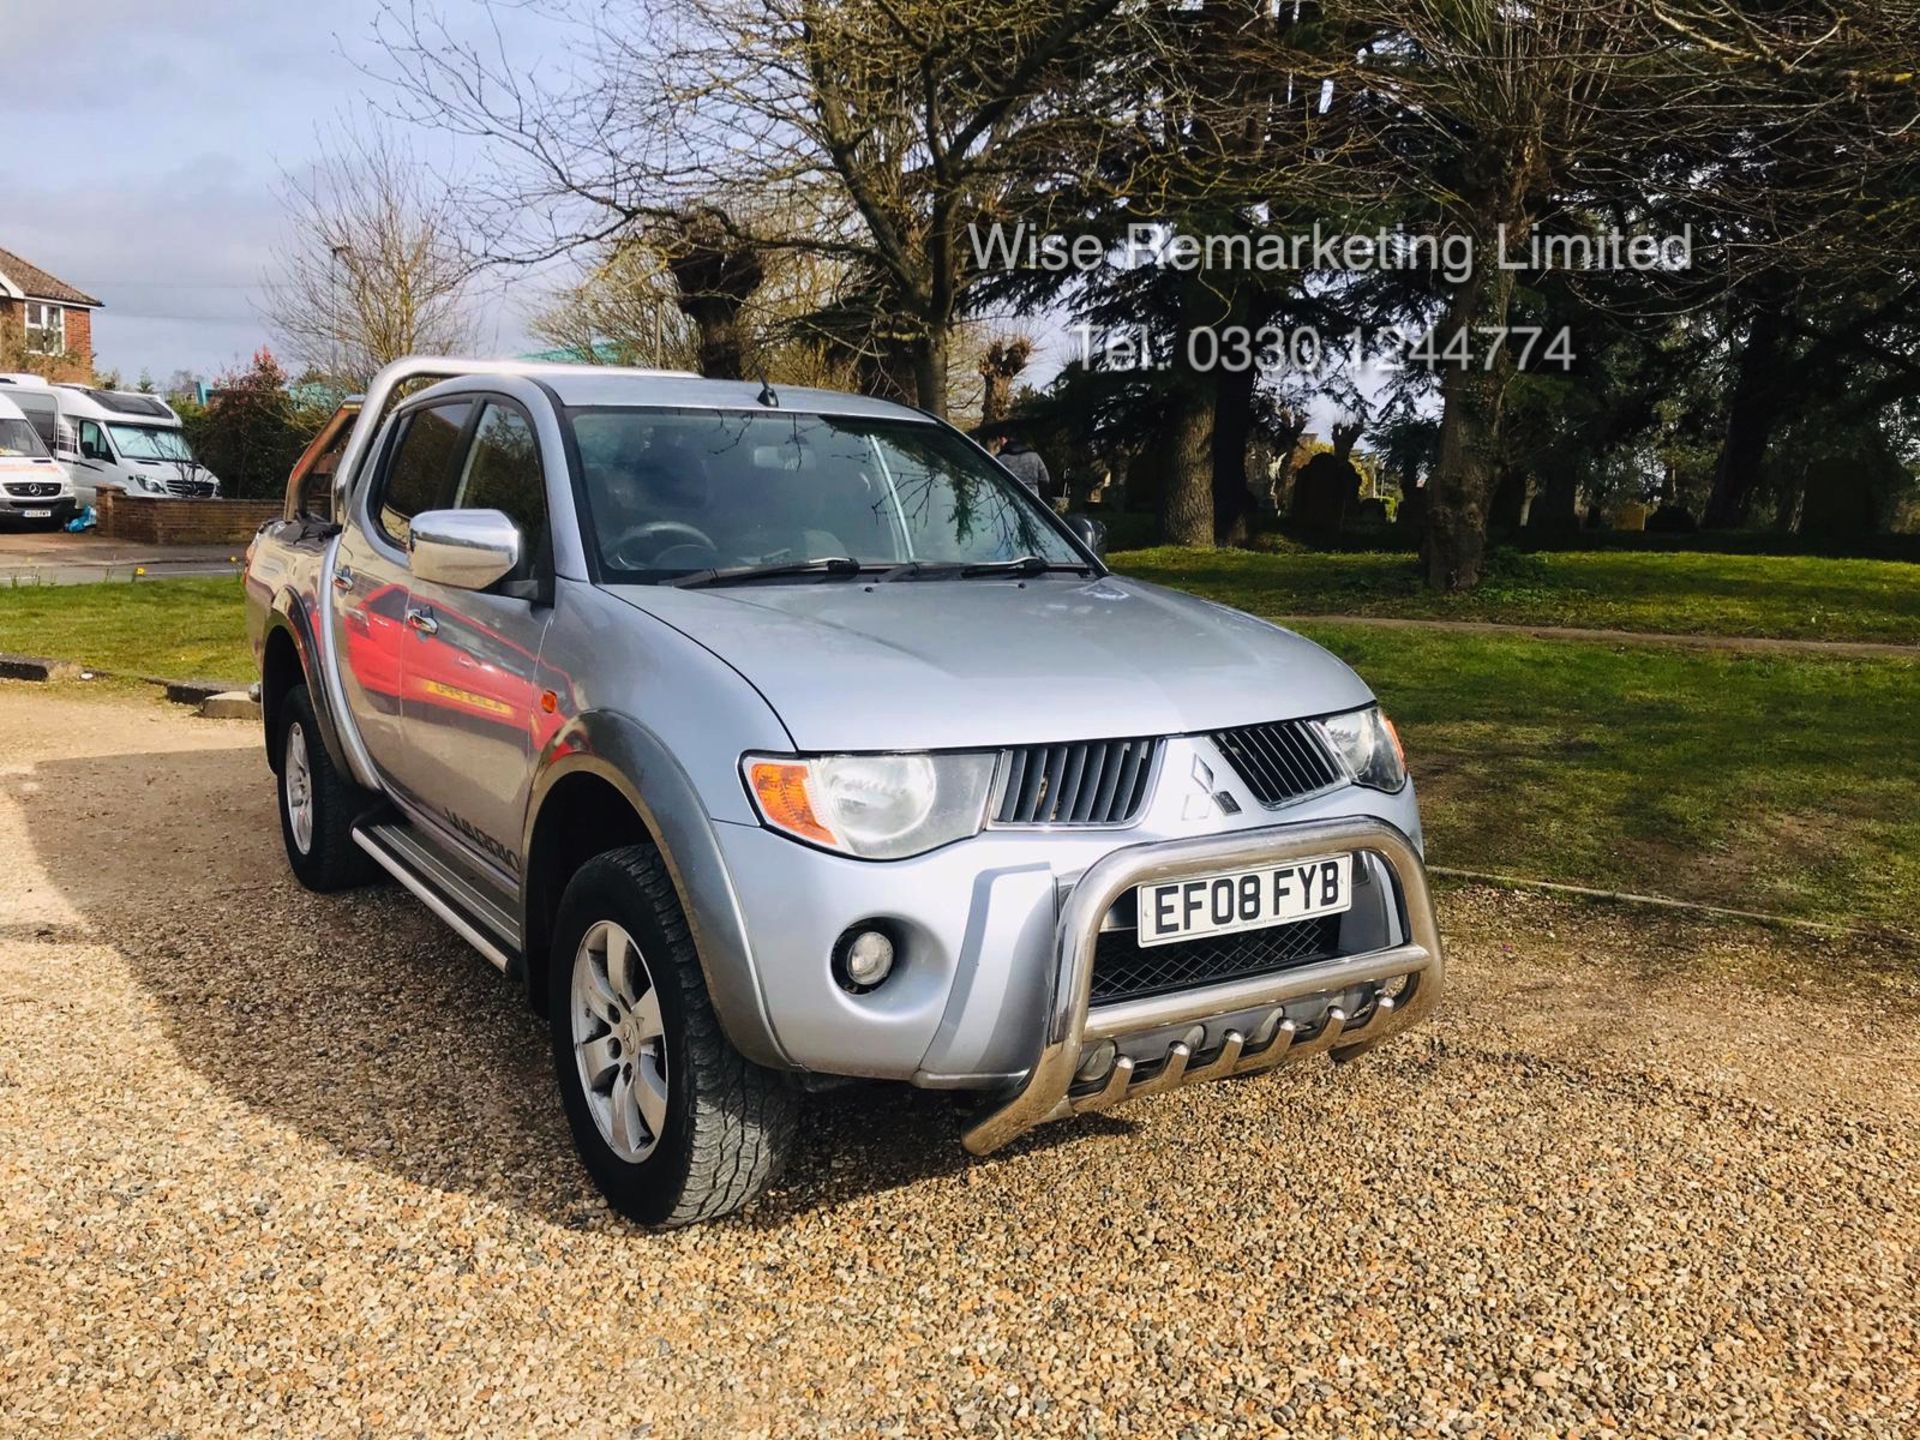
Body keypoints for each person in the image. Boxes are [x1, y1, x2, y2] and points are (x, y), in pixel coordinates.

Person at [987, 429, 1051, 498]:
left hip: (1010, 500)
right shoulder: (1034, 456)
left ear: (1003, 440)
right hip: (1032, 500)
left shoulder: (1000, 459)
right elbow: (1045, 480)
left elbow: (993, 481)